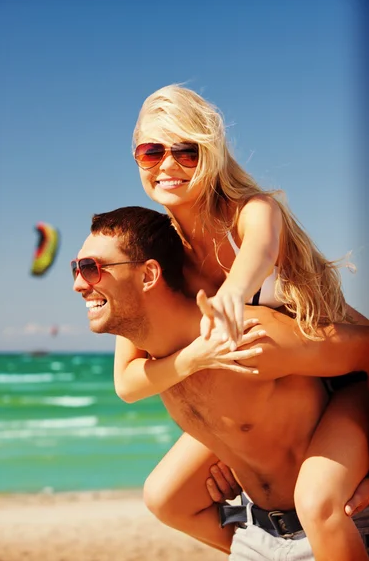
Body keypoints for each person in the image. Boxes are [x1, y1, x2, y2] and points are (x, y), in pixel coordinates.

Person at [112, 84, 369, 560]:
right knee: (166, 496)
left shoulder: (253, 211)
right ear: (137, 158)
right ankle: (264, 546)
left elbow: (259, 253)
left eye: (185, 152)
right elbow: (128, 380)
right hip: (276, 398)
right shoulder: (156, 247)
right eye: (151, 152)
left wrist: (231, 295)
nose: (166, 166)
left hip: (347, 379)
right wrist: (233, 448)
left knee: (318, 502)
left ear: (209, 154)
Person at [72, 205, 369, 560]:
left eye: (91, 269)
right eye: (76, 269)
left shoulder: (247, 337)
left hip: (337, 526)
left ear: (149, 275)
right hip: (256, 536)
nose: (78, 284)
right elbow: (125, 386)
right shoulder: (155, 360)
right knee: (163, 496)